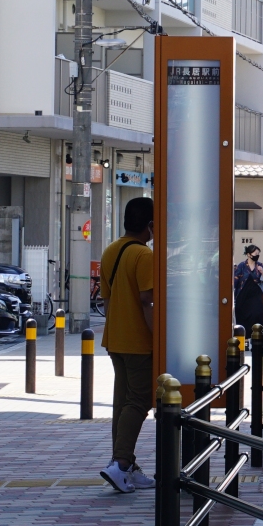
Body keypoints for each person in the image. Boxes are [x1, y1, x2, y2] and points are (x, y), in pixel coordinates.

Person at [98, 196, 156, 494]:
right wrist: (157, 337)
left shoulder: (111, 251)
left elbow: (107, 301)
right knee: (139, 401)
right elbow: (148, 301)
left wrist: (117, 327)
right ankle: (120, 464)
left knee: (122, 404)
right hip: (138, 342)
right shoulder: (144, 255)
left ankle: (125, 466)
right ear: (149, 225)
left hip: (115, 339)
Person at [233, 244, 263, 339]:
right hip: (243, 296)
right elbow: (235, 280)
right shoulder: (241, 266)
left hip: (256, 296)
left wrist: (262, 273)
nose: (256, 255)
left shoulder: (260, 266)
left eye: (258, 253)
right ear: (249, 254)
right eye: (255, 253)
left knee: (257, 315)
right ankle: (244, 339)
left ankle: (256, 337)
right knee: (242, 318)